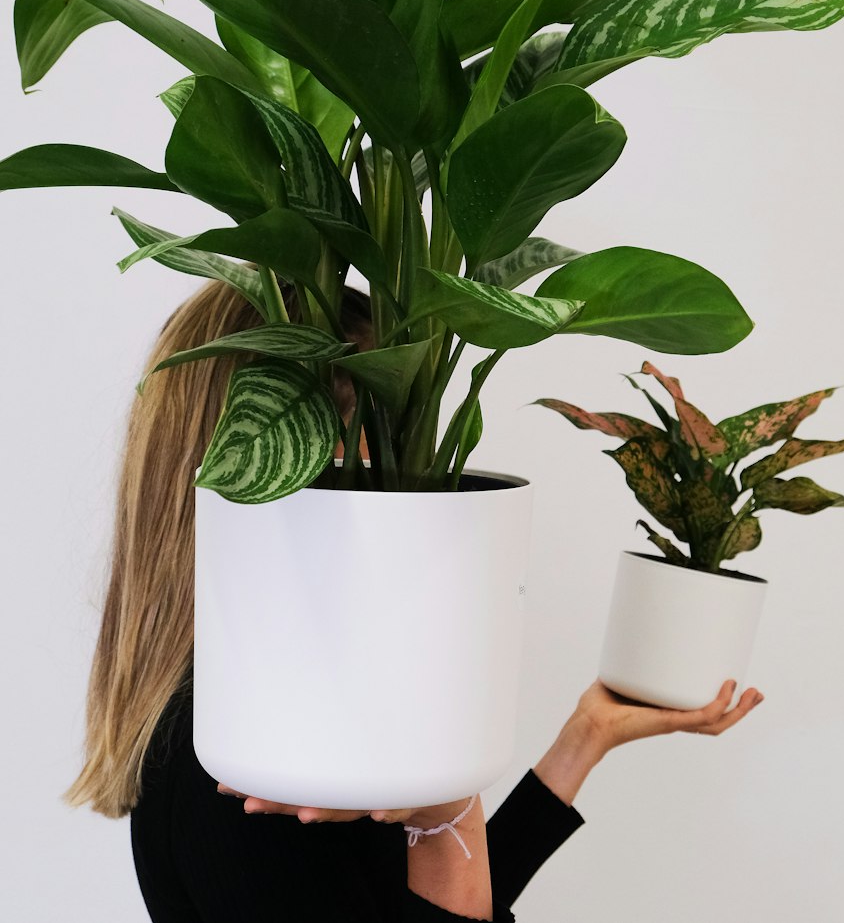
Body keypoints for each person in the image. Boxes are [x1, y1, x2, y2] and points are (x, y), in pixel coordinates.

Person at [63, 272, 763, 922]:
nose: (418, 487)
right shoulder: (251, 777)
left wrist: (584, 739)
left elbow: (402, 901)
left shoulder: (246, 716)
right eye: (392, 441)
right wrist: (445, 817)